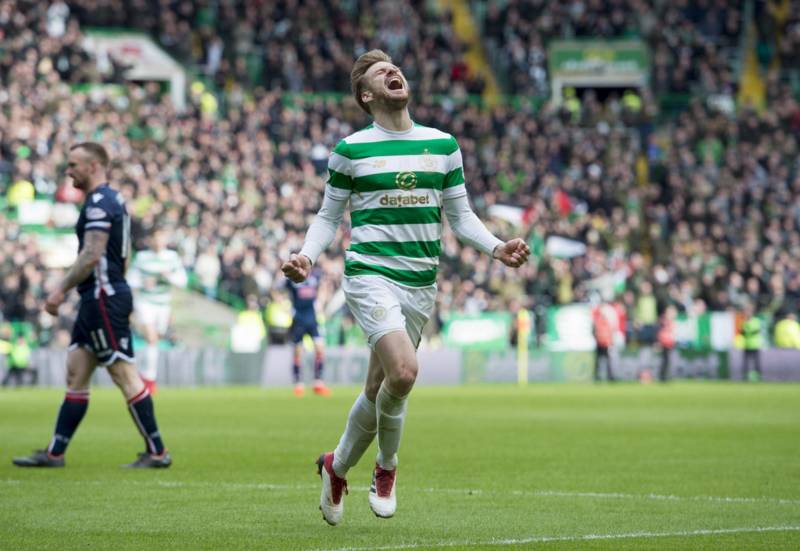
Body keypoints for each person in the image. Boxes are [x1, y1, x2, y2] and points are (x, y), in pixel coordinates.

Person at [281, 50, 530, 525]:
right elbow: (328, 216)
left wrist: (497, 247)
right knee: (404, 372)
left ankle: (336, 466)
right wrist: (306, 257)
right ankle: (387, 466)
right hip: (370, 274)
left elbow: (460, 216)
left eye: (395, 67)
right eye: (381, 72)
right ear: (366, 95)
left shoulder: (443, 145)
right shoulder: (351, 150)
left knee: (380, 386)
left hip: (420, 283)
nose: (393, 71)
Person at [12, 142, 171, 469]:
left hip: (103, 298)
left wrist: (60, 290)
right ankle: (55, 453)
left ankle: (157, 451)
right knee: (77, 372)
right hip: (97, 297)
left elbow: (92, 254)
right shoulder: (111, 200)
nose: (68, 171)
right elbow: (119, 255)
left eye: (74, 165)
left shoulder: (100, 202)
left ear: (94, 166)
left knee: (123, 373)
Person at [128, 227, 188, 394]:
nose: (159, 241)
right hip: (145, 302)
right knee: (152, 339)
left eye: (162, 237)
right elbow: (131, 280)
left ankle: (144, 373)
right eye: (156, 237)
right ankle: (149, 380)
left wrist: (167, 276)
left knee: (156, 340)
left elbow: (182, 281)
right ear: (150, 240)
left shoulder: (172, 257)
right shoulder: (142, 257)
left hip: (163, 303)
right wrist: (143, 283)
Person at [285, 266, 330, 397]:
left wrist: (320, 301)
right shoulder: (292, 278)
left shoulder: (315, 277)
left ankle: (318, 382)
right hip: (298, 319)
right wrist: (285, 305)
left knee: (320, 348)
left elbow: (323, 286)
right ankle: (298, 383)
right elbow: (277, 289)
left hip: (312, 319)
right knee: (298, 351)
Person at [740, 304, 763, 381]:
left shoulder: (756, 321)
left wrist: (747, 332)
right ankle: (745, 375)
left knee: (756, 362)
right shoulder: (744, 322)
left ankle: (758, 376)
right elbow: (742, 332)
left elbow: (756, 331)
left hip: (755, 345)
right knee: (746, 362)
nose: (747, 313)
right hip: (747, 344)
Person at [592, 305, 615, 382]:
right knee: (599, 361)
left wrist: (610, 342)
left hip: (605, 344)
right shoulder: (599, 322)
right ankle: (598, 376)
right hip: (600, 343)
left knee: (607, 361)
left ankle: (609, 376)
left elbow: (609, 333)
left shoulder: (603, 322)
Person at [657, 305, 677, 382]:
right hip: (664, 342)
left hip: (669, 342)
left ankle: (665, 376)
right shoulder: (664, 320)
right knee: (665, 360)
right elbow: (661, 332)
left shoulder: (669, 320)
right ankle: (663, 376)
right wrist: (659, 342)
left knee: (667, 360)